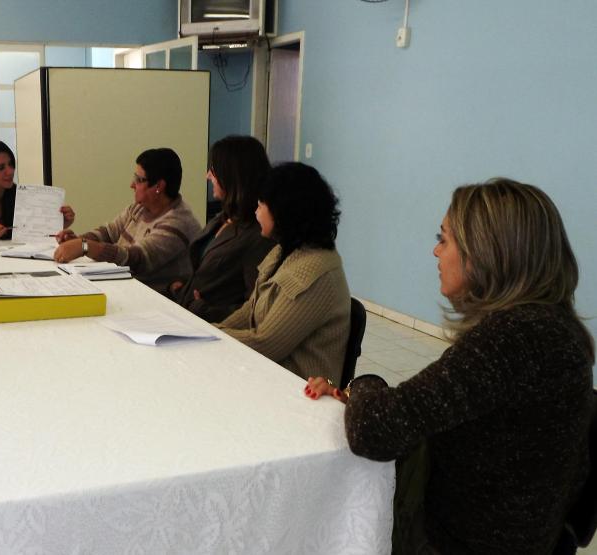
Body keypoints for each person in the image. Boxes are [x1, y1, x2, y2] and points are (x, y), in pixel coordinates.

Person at [304, 179, 594, 554]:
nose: (435, 251)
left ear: (485, 252)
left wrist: (363, 384)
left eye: (445, 240)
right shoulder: (558, 331)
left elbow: (372, 429)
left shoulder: (510, 339)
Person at [216, 162, 350, 384]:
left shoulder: (315, 273)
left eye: (261, 204)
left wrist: (213, 336)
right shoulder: (285, 250)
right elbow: (250, 309)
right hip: (268, 374)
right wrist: (215, 330)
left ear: (284, 211)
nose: (256, 210)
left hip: (294, 391)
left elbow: (266, 343)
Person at [53, 148, 202, 294]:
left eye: (139, 180)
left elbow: (136, 259)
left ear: (159, 186)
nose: (132, 185)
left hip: (157, 302)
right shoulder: (140, 207)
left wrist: (84, 246)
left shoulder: (178, 222)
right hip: (128, 289)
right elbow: (109, 232)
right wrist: (77, 240)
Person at [169, 135, 275, 322]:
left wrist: (204, 309)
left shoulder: (258, 235)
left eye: (213, 170)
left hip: (213, 329)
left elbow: (256, 308)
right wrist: (182, 287)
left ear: (232, 175)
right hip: (186, 317)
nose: (208, 176)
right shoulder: (223, 218)